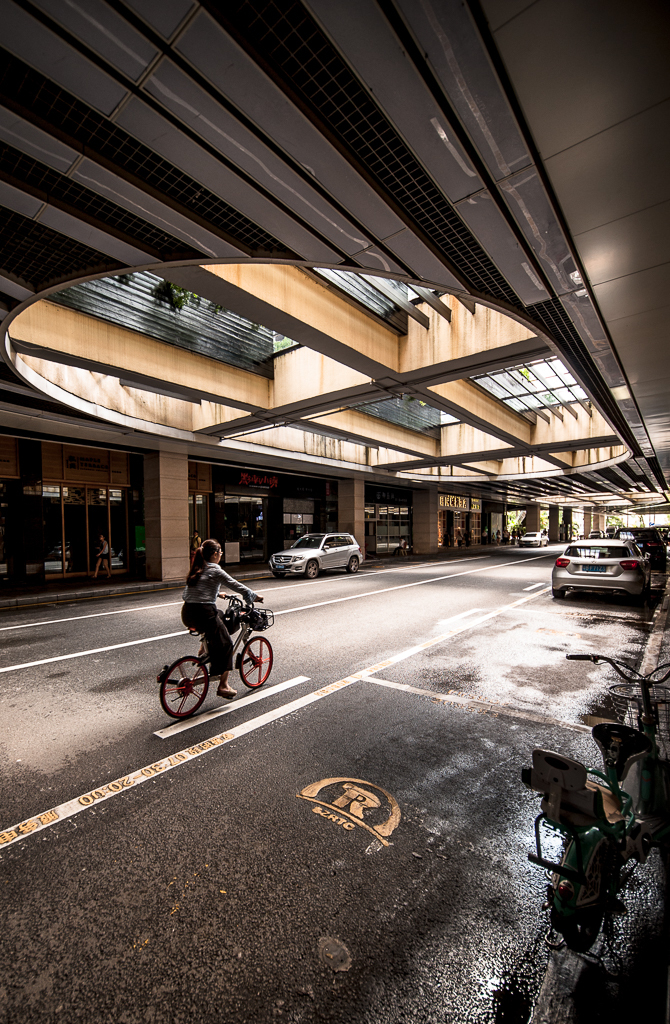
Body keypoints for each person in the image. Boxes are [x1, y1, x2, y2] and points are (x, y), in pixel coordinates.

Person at [181, 538, 262, 700]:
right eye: (220, 553)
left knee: (219, 614)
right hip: (204, 613)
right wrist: (253, 596)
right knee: (227, 645)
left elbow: (197, 589)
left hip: (188, 612)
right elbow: (235, 584)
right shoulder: (215, 570)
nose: (221, 555)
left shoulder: (198, 567)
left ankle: (204, 648)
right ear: (216, 554)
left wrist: (218, 594)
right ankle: (223, 685)